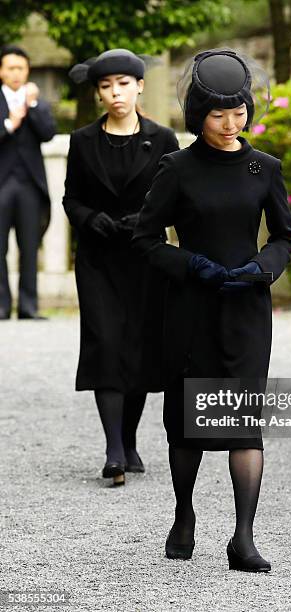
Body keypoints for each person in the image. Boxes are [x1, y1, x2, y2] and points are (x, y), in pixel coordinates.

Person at [132, 49, 291, 571]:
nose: (232, 124)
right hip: (190, 307)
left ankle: (243, 538)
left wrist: (262, 267)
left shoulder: (263, 167)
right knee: (188, 424)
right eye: (219, 115)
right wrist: (191, 265)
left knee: (244, 423)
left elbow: (286, 236)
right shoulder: (176, 169)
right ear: (198, 115)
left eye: (240, 112)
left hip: (247, 309)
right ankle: (184, 515)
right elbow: (145, 236)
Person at [63, 49, 179, 486]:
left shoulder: (163, 138)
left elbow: (174, 198)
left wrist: (144, 221)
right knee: (105, 344)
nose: (116, 93)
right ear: (98, 93)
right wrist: (92, 219)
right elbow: (71, 198)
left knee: (140, 348)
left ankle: (129, 440)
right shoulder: (82, 140)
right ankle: (113, 449)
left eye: (124, 84)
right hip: (98, 260)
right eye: (107, 86)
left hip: (146, 260)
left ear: (140, 86)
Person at [0, 45, 56, 320]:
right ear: (1, 71)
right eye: (10, 68)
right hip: (1, 184)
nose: (15, 73)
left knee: (30, 246)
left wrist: (31, 105)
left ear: (27, 71)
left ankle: (28, 306)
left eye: (20, 68)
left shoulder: (38, 102)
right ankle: (0, 306)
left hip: (30, 186)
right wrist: (10, 123)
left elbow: (48, 133)